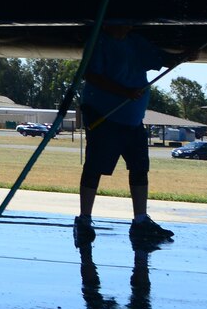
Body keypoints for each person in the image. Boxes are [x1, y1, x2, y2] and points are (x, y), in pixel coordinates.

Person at [72, 25, 196, 247]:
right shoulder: (99, 42)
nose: (129, 23)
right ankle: (84, 220)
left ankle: (140, 221)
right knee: (94, 168)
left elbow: (163, 59)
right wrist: (124, 91)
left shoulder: (136, 42)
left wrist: (183, 57)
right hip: (104, 119)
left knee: (140, 169)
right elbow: (91, 74)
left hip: (132, 122)